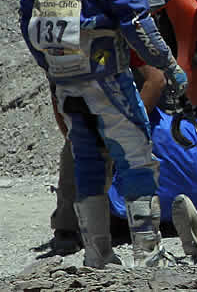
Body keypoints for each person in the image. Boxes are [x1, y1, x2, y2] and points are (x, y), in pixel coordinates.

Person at [19, 0, 188, 268]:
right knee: (136, 157)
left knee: (88, 160)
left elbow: (26, 22)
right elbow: (138, 24)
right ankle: (149, 255)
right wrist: (168, 65)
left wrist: (51, 67)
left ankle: (97, 254)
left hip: (64, 80)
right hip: (106, 73)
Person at [49, 54, 166, 256]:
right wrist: (133, 126)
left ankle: (95, 253)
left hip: (77, 106)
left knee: (85, 167)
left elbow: (55, 86)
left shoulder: (47, 28)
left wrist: (70, 132)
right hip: (113, 105)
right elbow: (157, 79)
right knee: (138, 169)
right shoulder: (112, 24)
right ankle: (148, 252)